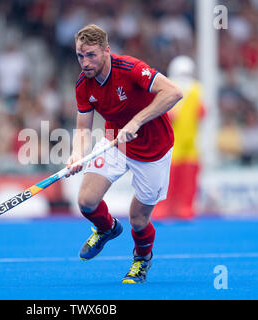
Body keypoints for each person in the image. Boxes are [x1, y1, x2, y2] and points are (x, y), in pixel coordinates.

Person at [66, 24, 183, 283]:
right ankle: (106, 228)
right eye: (79, 56)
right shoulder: (83, 84)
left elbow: (174, 92)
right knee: (86, 201)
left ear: (106, 51)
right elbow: (83, 128)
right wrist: (76, 155)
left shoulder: (129, 69)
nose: (85, 63)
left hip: (154, 149)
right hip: (114, 143)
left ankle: (142, 260)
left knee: (138, 220)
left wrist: (136, 121)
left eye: (91, 55)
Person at [153, 55, 205, 220]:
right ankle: (167, 209)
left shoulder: (193, 90)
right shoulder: (175, 89)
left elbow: (201, 112)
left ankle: (182, 209)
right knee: (169, 180)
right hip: (171, 146)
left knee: (185, 180)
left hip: (186, 146)